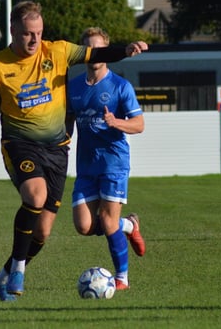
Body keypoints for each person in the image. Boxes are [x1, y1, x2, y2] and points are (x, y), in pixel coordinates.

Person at [0, 1, 148, 301]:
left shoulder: (57, 51)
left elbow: (97, 54)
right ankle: (18, 270)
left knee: (43, 232)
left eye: (39, 33)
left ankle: (3, 275)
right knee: (35, 195)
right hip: (19, 145)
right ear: (13, 30)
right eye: (28, 34)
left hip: (57, 151)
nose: (35, 40)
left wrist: (125, 50)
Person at [66, 27, 146, 291]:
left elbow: (139, 124)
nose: (95, 55)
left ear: (107, 52)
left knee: (108, 221)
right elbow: (67, 121)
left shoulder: (120, 86)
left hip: (114, 162)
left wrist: (116, 122)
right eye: (90, 49)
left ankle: (122, 278)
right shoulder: (73, 87)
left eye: (100, 49)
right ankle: (129, 225)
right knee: (84, 225)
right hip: (86, 165)